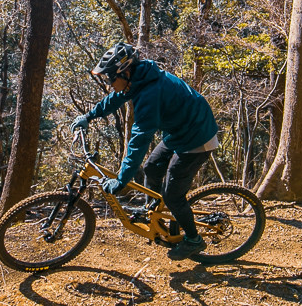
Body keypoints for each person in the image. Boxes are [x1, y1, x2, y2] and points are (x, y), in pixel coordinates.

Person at [71, 42, 220, 260]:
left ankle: (193, 239)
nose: (110, 84)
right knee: (152, 166)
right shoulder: (139, 79)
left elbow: (139, 140)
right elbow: (116, 98)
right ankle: (155, 211)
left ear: (125, 72)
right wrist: (89, 116)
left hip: (197, 138)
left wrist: (121, 181)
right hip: (180, 132)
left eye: (111, 78)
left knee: (173, 195)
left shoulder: (150, 93)